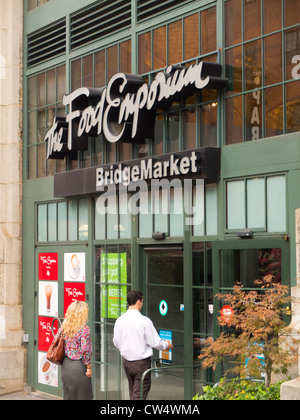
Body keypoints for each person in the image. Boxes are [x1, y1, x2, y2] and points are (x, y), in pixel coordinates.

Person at [113, 290, 174, 400]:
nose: (142, 303)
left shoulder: (120, 321)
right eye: (142, 301)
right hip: (141, 364)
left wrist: (126, 349)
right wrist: (166, 345)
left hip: (126, 362)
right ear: (138, 302)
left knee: (133, 393)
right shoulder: (144, 321)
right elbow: (155, 342)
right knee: (139, 395)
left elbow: (116, 342)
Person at [52, 300, 93, 400]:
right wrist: (88, 367)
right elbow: (85, 350)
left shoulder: (64, 328)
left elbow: (54, 341)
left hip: (66, 366)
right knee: (83, 397)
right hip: (79, 367)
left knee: (68, 397)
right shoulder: (84, 329)